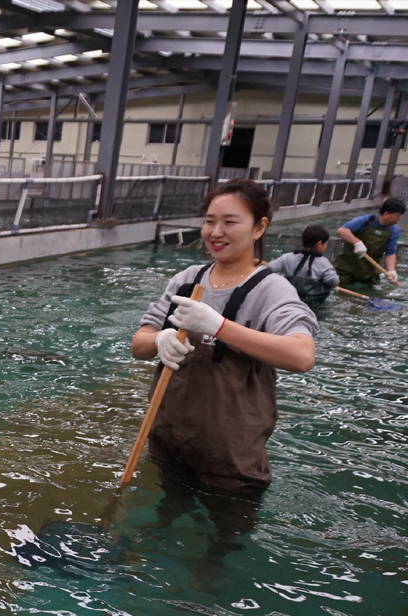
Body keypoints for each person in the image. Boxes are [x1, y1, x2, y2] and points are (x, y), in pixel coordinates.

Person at [130, 178, 318, 494]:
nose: (216, 233)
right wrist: (160, 339)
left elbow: (302, 355)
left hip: (230, 458)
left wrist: (218, 326)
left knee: (224, 537)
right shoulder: (188, 281)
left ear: (259, 227)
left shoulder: (271, 289)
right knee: (165, 515)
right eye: (209, 222)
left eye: (230, 222)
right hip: (168, 438)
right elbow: (139, 344)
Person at [333, 198, 405, 287]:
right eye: (397, 215)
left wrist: (391, 270)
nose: (400, 218)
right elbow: (342, 230)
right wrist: (357, 243)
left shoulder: (394, 230)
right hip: (346, 268)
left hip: (369, 273)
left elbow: (390, 253)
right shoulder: (365, 220)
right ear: (386, 214)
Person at [265, 224, 339, 304]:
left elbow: (268, 268)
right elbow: (334, 282)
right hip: (313, 303)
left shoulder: (287, 257)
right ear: (319, 244)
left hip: (289, 299)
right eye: (326, 243)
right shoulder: (324, 263)